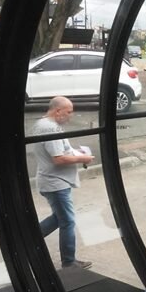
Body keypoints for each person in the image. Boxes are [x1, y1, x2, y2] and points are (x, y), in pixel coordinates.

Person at [32, 97, 95, 269]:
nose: (70, 115)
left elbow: (61, 151)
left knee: (58, 218)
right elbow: (58, 159)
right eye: (68, 112)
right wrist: (83, 158)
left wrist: (76, 152)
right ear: (57, 110)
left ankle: (29, 240)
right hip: (55, 183)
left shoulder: (43, 124)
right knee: (67, 221)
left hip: (53, 181)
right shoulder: (50, 129)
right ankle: (69, 262)